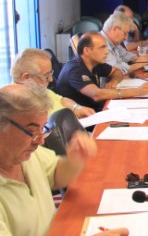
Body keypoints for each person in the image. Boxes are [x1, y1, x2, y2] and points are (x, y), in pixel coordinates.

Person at [0, 84, 128, 236]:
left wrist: (75, 159)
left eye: (43, 128)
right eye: (32, 131)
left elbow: (56, 176)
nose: (40, 141)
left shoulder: (25, 155)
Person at [55, 33, 148, 112]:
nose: (107, 51)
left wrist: (114, 81)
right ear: (87, 51)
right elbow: (97, 94)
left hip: (96, 110)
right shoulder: (74, 69)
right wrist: (137, 91)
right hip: (81, 120)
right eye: (102, 48)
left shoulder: (95, 62)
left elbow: (117, 71)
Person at [11, 48, 95, 119]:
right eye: (46, 75)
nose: (51, 79)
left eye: (50, 73)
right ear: (26, 77)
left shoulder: (36, 89)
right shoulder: (18, 106)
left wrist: (76, 108)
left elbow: (62, 100)